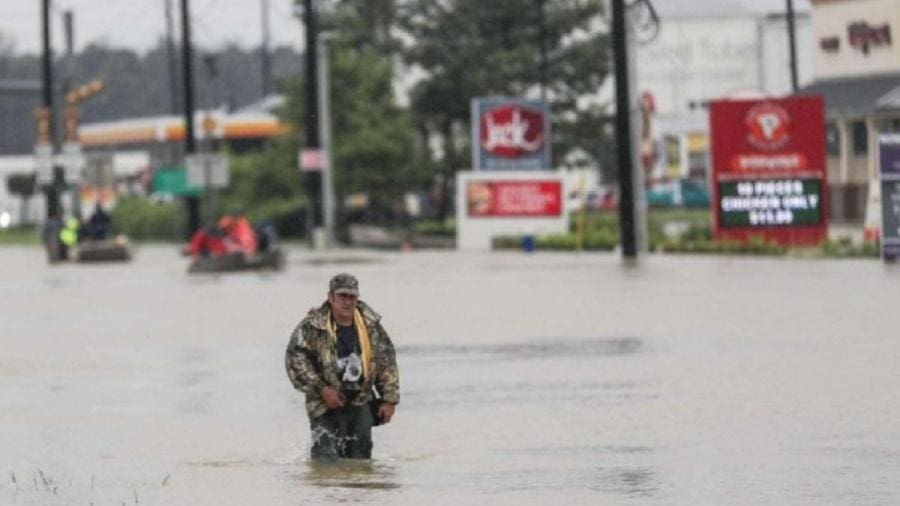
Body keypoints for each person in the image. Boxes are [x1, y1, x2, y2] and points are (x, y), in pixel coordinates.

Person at [285, 273, 400, 460]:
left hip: (360, 401)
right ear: (331, 297)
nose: (347, 302)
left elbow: (386, 362)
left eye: (352, 297)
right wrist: (322, 389)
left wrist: (389, 399)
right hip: (324, 404)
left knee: (360, 464)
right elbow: (295, 360)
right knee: (325, 461)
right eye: (342, 296)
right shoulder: (312, 326)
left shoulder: (371, 326)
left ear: (357, 299)